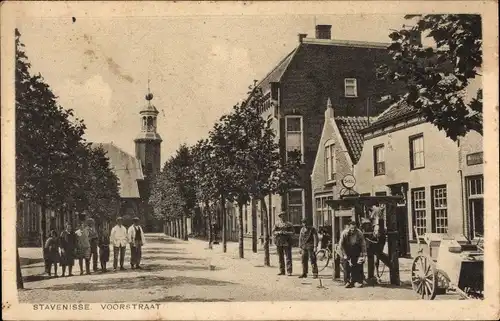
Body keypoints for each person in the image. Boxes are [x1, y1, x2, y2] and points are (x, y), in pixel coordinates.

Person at [338, 219, 367, 288]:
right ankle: (347, 281)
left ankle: (356, 281)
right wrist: (344, 255)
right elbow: (341, 245)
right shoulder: (344, 233)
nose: (352, 230)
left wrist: (364, 255)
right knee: (346, 265)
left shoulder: (359, 233)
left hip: (355, 249)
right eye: (351, 229)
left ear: (356, 228)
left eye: (354, 229)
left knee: (357, 264)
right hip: (346, 249)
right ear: (349, 227)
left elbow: (363, 244)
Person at [272, 211, 294, 276]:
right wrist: (278, 232)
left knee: (288, 257)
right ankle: (282, 271)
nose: (283, 217)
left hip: (287, 242)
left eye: (284, 216)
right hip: (279, 242)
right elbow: (273, 232)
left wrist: (286, 233)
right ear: (280, 217)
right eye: (281, 216)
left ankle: (289, 271)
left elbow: (293, 232)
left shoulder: (289, 224)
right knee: (280, 257)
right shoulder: (277, 224)